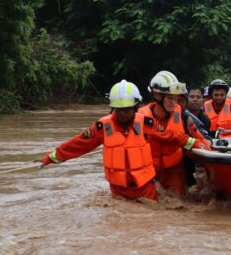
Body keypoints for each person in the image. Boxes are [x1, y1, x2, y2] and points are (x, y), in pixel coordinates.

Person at [39, 80, 203, 201]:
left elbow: (170, 135)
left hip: (145, 189)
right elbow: (78, 145)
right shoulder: (102, 127)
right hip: (118, 192)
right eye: (119, 110)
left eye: (127, 110)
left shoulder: (146, 123)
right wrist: (51, 157)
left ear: (136, 107)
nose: (123, 114)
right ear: (113, 108)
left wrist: (193, 143)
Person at [138, 71, 211, 197]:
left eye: (176, 98)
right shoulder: (140, 118)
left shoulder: (183, 116)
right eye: (170, 98)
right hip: (149, 170)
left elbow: (201, 139)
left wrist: (205, 148)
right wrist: (189, 142)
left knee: (179, 204)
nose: (174, 102)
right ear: (157, 95)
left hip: (174, 170)